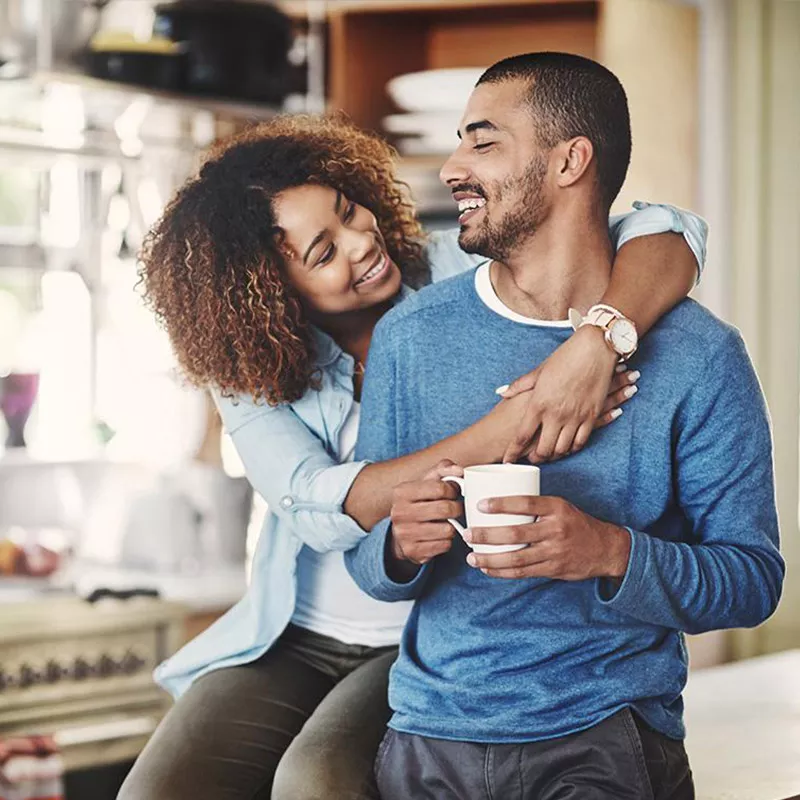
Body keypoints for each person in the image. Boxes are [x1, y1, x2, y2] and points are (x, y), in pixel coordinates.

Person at [119, 111, 707, 800]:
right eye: (323, 253)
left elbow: (667, 231)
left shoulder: (460, 264)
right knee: (157, 792)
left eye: (348, 211)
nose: (361, 242)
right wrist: (515, 421)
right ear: (270, 299)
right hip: (298, 634)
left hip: (425, 632)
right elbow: (318, 501)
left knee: (316, 781)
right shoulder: (247, 367)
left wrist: (598, 341)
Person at [345, 52, 784, 800]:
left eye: (483, 143)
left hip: (604, 740)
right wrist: (395, 546)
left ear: (570, 161)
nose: (453, 167)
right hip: (428, 740)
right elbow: (368, 564)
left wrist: (606, 551)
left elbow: (751, 581)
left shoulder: (701, 357)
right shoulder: (411, 337)